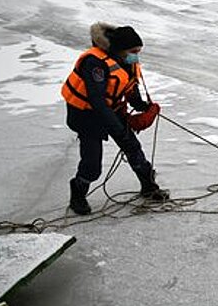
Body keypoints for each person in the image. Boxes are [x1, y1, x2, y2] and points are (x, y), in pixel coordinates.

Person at [62, 22, 168, 215]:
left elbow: (130, 90)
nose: (136, 55)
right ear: (119, 50)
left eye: (138, 51)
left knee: (133, 148)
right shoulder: (94, 63)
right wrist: (118, 128)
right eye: (133, 51)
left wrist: (144, 106)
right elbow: (97, 101)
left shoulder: (128, 63)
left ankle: (149, 186)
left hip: (112, 108)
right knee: (92, 165)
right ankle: (77, 194)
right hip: (87, 115)